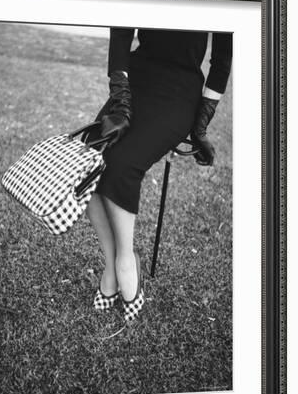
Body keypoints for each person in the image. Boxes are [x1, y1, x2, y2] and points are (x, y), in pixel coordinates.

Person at [86, 27, 232, 323]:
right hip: (135, 79)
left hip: (180, 90)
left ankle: (127, 261)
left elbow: (222, 58)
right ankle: (112, 264)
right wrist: (120, 93)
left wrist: (202, 120)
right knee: (88, 158)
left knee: (123, 165)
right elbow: (122, 28)